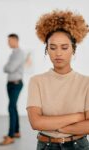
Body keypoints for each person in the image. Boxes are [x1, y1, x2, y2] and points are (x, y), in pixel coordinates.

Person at [27, 10, 89, 150]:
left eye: (64, 47)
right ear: (46, 50)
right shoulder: (36, 81)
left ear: (73, 49)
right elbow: (36, 123)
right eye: (53, 47)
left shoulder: (86, 83)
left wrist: (55, 127)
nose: (58, 53)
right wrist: (79, 116)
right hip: (46, 146)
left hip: (78, 146)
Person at [0, 33, 25, 145]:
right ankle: (16, 131)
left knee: (10, 107)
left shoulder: (19, 53)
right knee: (13, 107)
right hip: (10, 84)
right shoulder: (13, 54)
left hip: (16, 84)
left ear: (15, 40)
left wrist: (7, 66)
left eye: (9, 41)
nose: (8, 43)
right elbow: (6, 68)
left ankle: (10, 136)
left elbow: (9, 68)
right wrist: (7, 67)